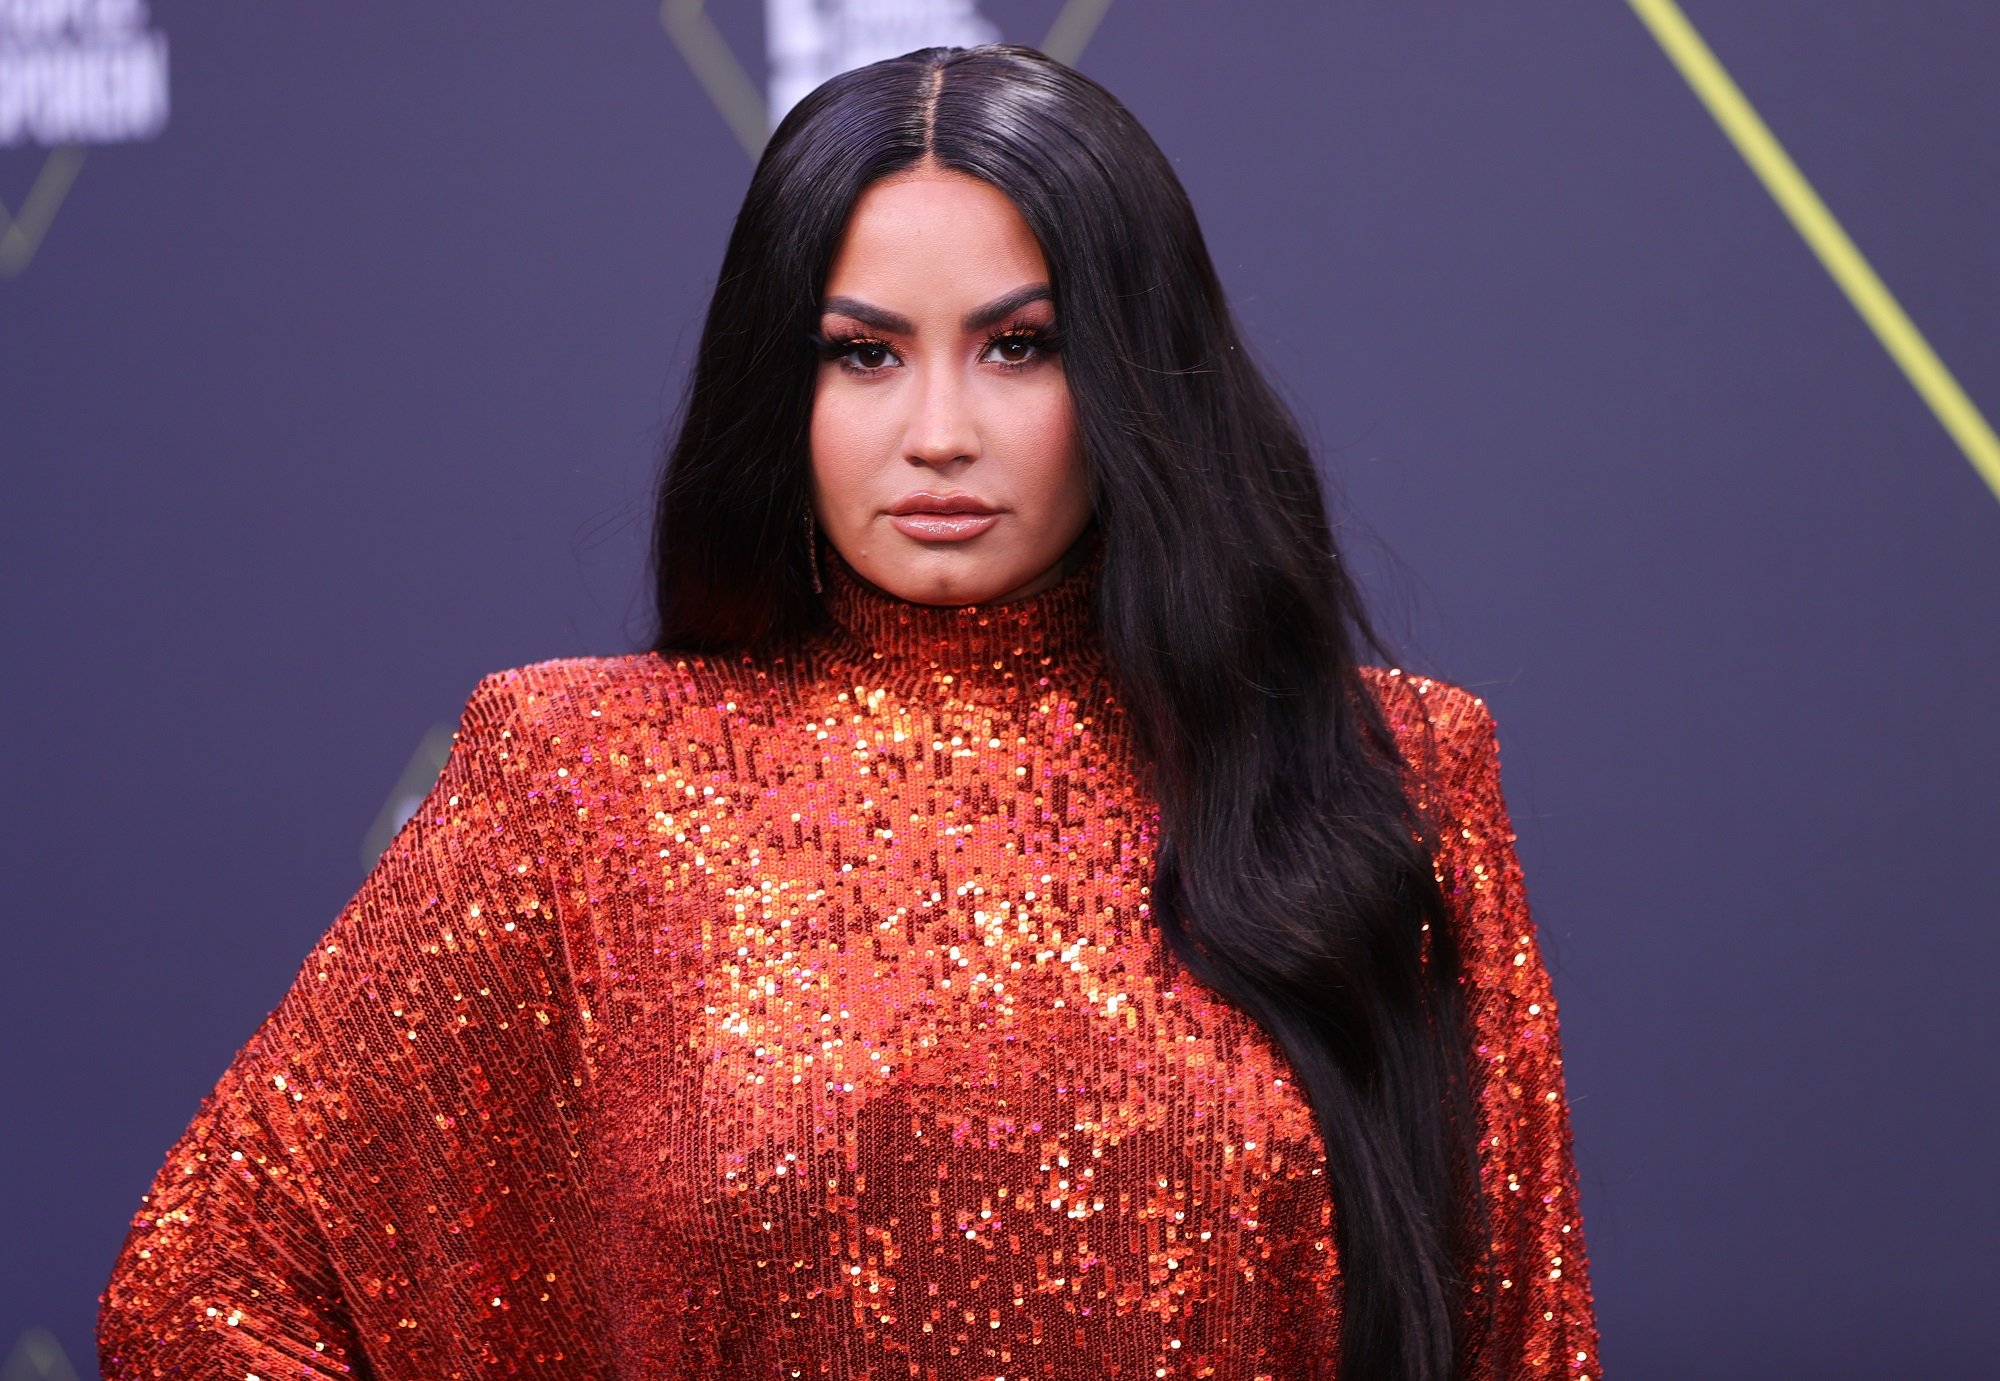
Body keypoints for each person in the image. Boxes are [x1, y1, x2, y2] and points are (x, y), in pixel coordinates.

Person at [97, 43, 1600, 1381]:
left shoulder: (1387, 772)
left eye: (1021, 345)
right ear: (781, 385)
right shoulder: (577, 777)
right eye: (863, 352)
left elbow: (1523, 1338)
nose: (938, 432)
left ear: (1138, 375)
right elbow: (201, 1296)